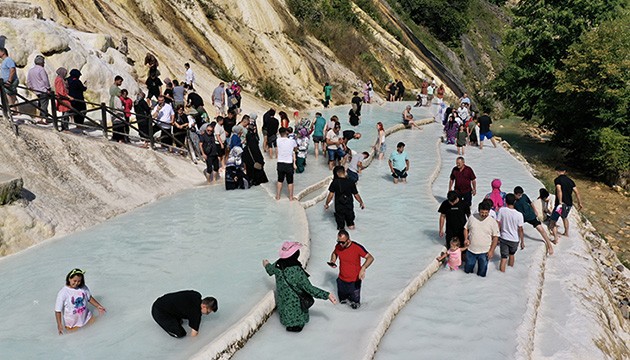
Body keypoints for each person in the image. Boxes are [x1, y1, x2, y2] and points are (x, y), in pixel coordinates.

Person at [263, 241, 337, 332]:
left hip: (284, 309)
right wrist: (327, 295)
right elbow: (309, 289)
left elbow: (270, 270)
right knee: (297, 325)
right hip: (297, 311)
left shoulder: (278, 264)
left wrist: (266, 264)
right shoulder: (297, 270)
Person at [327, 230, 374, 309]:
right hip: (341, 280)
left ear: (348, 240)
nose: (340, 244)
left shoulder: (357, 247)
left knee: (355, 306)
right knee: (342, 303)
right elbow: (335, 253)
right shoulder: (338, 246)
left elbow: (370, 258)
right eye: (338, 242)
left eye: (342, 242)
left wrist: (363, 268)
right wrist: (333, 260)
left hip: (354, 282)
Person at [55, 268, 106, 335]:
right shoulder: (63, 293)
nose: (76, 283)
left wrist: (98, 306)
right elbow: (58, 310)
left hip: (88, 318)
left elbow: (89, 298)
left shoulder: (83, 287)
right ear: (69, 279)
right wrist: (59, 324)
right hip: (73, 325)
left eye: (79, 281)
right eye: (74, 280)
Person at [151, 290, 217, 338]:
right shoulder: (195, 313)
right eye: (208, 312)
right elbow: (194, 334)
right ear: (203, 306)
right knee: (180, 334)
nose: (208, 314)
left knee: (181, 322)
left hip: (161, 302)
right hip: (159, 312)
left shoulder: (196, 295)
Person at [514, 186, 554, 255]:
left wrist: (535, 210)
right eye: (518, 195)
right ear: (515, 194)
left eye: (521, 195)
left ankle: (549, 245)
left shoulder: (524, 196)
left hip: (530, 215)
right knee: (517, 229)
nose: (520, 196)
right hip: (521, 218)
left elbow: (530, 203)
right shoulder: (513, 201)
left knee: (541, 229)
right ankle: (520, 242)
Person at [463, 201, 499, 277]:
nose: (484, 215)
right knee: (467, 272)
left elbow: (495, 237)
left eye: (486, 213)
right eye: (482, 212)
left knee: (482, 273)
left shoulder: (492, 222)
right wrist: (466, 239)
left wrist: (491, 251)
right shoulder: (472, 217)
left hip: (485, 252)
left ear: (489, 211)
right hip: (471, 250)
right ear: (479, 210)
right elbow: (466, 228)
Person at [549, 166, 583, 243]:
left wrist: (560, 201)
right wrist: (579, 203)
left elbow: (559, 190)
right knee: (564, 217)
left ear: (557, 171)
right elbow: (577, 192)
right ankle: (566, 233)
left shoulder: (557, 180)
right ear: (564, 171)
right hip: (569, 204)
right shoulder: (571, 181)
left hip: (560, 204)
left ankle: (555, 239)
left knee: (553, 220)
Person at [496, 193, 525, 272]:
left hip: (504, 237)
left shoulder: (502, 210)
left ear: (505, 201)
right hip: (514, 239)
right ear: (515, 202)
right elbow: (520, 229)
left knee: (504, 258)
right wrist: (522, 241)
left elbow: (498, 223)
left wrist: (496, 236)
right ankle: (510, 273)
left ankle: (502, 275)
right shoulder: (519, 215)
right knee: (512, 255)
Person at [242, 118, 268, 185]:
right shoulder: (252, 137)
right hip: (254, 156)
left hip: (248, 155)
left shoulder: (248, 137)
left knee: (250, 170)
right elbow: (255, 149)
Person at [26, 54, 50, 120]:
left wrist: (30, 87)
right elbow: (45, 80)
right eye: (43, 62)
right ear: (42, 62)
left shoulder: (31, 70)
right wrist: (48, 88)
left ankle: (43, 118)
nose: (44, 63)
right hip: (43, 90)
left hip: (36, 91)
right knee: (44, 105)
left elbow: (28, 80)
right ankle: (44, 119)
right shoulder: (41, 70)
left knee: (40, 104)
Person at [276, 127, 297, 200]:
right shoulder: (292, 141)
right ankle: (291, 197)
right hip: (288, 163)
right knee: (290, 181)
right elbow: (295, 148)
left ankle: (278, 196)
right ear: (286, 132)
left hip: (280, 162)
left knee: (280, 180)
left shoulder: (277, 140)